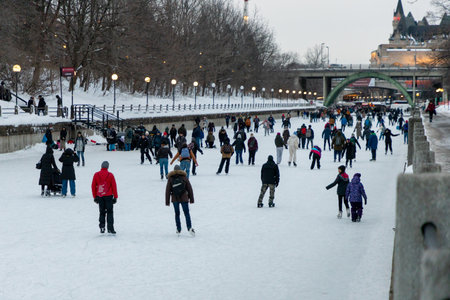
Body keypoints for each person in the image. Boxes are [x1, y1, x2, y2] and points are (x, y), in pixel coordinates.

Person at [166, 165, 195, 236]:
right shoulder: (184, 177)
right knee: (186, 213)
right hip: (184, 197)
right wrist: (191, 199)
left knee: (177, 214)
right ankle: (189, 228)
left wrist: (167, 201)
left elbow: (167, 190)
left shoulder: (170, 178)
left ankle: (178, 229)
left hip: (174, 198)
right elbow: (190, 188)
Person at [92, 161, 118, 234]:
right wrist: (115, 197)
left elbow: (93, 186)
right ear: (107, 167)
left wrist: (95, 196)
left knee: (102, 212)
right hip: (109, 196)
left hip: (100, 196)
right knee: (110, 212)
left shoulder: (96, 174)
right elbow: (114, 186)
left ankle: (102, 227)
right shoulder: (110, 175)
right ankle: (110, 228)